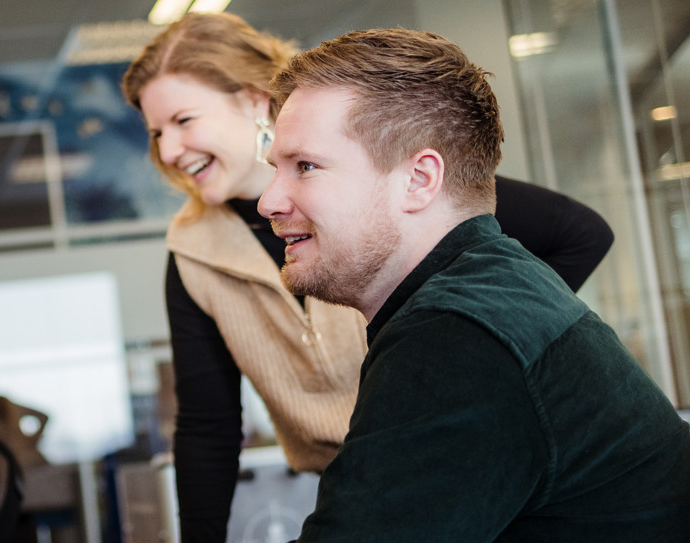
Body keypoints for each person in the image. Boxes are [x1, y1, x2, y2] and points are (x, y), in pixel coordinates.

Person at [119, 13, 615, 541]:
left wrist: (485, 358)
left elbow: (577, 234)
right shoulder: (194, 249)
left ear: (252, 98)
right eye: (155, 133)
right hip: (357, 476)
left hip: (454, 463)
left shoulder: (382, 184)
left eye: (183, 120)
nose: (168, 150)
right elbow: (207, 424)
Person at [258, 28, 690, 540]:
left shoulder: (455, 338)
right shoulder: (499, 284)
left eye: (305, 167)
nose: (269, 202)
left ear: (419, 179)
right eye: (275, 169)